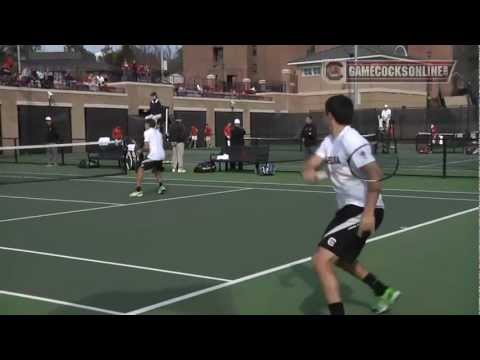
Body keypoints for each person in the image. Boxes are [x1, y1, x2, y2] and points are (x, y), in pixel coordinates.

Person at [303, 95, 400, 315]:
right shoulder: (330, 142)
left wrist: (368, 214)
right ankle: (382, 290)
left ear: (330, 115)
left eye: (324, 113)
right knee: (341, 260)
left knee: (321, 261)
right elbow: (312, 166)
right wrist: (313, 173)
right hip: (347, 210)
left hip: (364, 207)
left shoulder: (352, 140)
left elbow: (375, 175)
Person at [129, 118, 166, 197]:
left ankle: (138, 190)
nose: (144, 126)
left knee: (140, 167)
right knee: (156, 169)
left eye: (145, 124)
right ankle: (161, 186)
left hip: (154, 156)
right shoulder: (158, 133)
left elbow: (146, 147)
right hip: (161, 155)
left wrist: (140, 150)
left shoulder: (147, 132)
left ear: (148, 125)